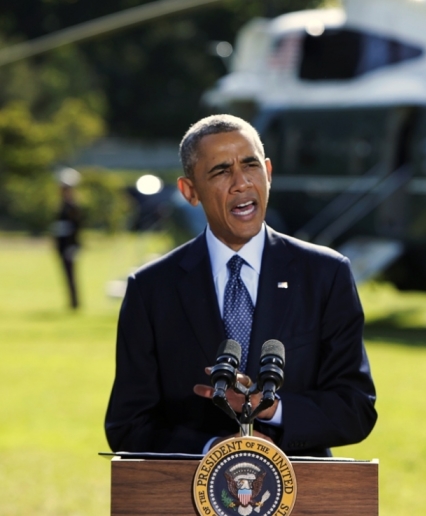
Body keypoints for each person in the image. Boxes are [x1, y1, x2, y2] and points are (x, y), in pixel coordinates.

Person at [105, 115, 377, 457]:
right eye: (220, 171)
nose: (241, 183)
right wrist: (213, 451)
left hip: (303, 498)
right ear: (190, 191)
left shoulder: (326, 274)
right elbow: (127, 425)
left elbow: (355, 408)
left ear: (268, 172)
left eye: (250, 166)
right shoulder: (151, 289)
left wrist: (272, 408)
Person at [53, 171, 82, 309]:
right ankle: (71, 302)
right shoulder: (62, 205)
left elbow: (76, 227)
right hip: (62, 245)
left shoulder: (72, 206)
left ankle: (74, 302)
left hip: (69, 245)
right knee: (66, 275)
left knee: (71, 275)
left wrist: (73, 245)